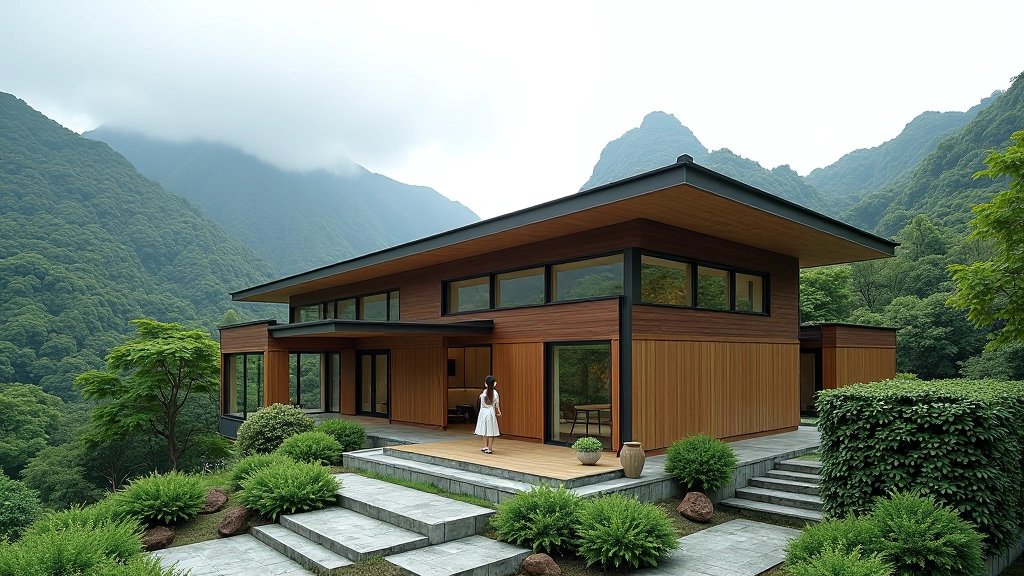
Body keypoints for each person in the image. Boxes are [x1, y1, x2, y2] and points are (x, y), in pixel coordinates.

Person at [474, 375, 501, 453]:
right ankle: (490, 448)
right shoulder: (495, 393)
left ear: (486, 383)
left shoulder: (484, 392)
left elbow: (482, 404)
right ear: (494, 384)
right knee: (490, 430)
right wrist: (499, 411)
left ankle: (485, 446)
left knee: (484, 429)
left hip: (483, 413)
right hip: (491, 412)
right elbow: (497, 404)